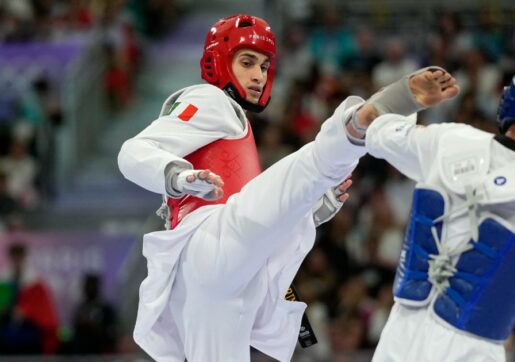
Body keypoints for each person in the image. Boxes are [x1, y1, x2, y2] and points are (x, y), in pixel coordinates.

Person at [117, 14, 458, 362]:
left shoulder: (236, 127)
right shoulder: (210, 100)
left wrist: (309, 212)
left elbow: (262, 216)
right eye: (247, 62)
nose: (258, 75)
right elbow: (132, 153)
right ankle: (360, 123)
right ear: (218, 60)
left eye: (264, 67)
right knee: (311, 166)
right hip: (210, 240)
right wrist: (177, 176)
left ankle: (354, 132)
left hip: (220, 282)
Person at [352, 49, 515, 361]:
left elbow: (372, 125)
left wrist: (408, 93)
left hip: (397, 345)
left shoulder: (446, 140)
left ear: (510, 99)